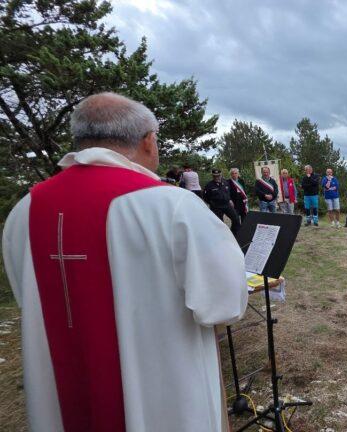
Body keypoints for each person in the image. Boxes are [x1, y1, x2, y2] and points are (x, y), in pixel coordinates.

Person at [1, 92, 247, 432]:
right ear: (148, 141)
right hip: (165, 398)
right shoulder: (173, 206)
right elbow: (223, 304)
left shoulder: (24, 213)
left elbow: (29, 299)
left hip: (60, 399)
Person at [204, 168, 242, 234]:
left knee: (236, 219)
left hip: (226, 205)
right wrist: (212, 203)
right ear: (212, 176)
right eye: (215, 176)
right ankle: (222, 236)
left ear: (221, 175)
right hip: (216, 207)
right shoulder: (209, 185)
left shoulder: (225, 182)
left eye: (218, 175)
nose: (216, 177)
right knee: (219, 223)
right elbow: (205, 197)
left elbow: (228, 192)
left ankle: (234, 234)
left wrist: (229, 199)